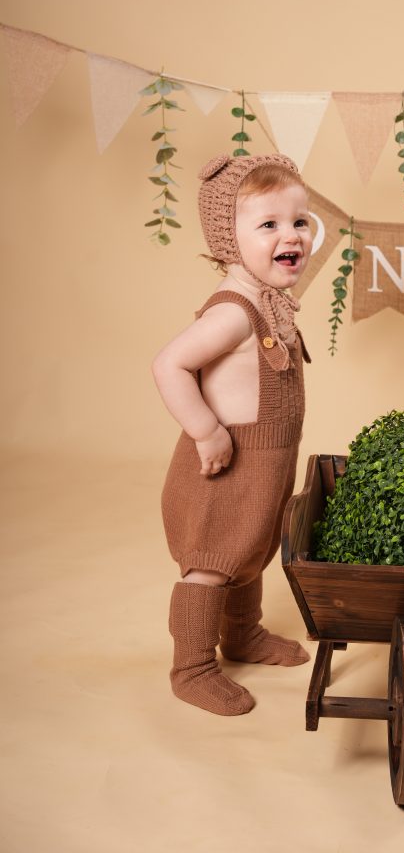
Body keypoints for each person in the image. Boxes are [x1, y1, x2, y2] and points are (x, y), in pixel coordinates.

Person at [152, 152, 313, 716]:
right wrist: (205, 431)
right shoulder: (235, 312)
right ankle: (192, 667)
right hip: (224, 468)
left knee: (250, 552)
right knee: (212, 563)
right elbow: (169, 364)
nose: (291, 235)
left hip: (264, 465)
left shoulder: (269, 303)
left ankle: (243, 634)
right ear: (228, 241)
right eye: (268, 224)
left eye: (299, 221)